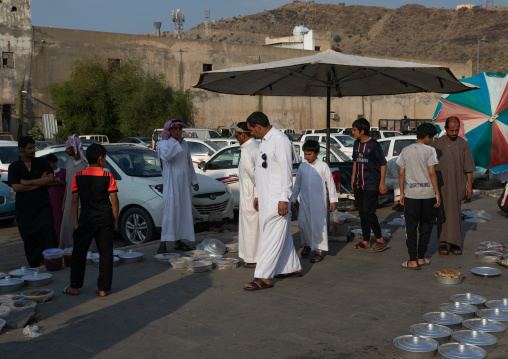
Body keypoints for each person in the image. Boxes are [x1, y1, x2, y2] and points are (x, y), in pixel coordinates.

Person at [244, 111, 301, 291]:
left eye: (252, 130)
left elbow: (286, 171)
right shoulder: (264, 142)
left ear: (258, 127)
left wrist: (284, 198)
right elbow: (263, 171)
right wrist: (259, 195)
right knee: (279, 236)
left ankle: (263, 277)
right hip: (267, 198)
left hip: (278, 200)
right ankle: (291, 267)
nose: (252, 134)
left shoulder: (280, 140)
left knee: (270, 238)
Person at [62, 143, 119, 297]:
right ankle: (103, 289)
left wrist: (76, 223)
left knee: (78, 253)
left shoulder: (78, 177)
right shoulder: (108, 176)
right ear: (100, 159)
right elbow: (114, 201)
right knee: (106, 254)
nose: (105, 160)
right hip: (105, 220)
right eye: (105, 158)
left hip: (86, 220)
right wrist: (115, 220)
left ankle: (74, 286)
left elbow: (74, 201)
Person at [8, 136, 57, 267]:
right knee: (30, 240)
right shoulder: (14, 167)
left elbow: (51, 179)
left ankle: (51, 262)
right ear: (21, 149)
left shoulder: (41, 162)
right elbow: (16, 187)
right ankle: (35, 267)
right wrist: (41, 183)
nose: (32, 150)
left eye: (33, 147)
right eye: (29, 148)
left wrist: (27, 182)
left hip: (43, 207)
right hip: (25, 211)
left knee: (48, 230)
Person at [397, 123, 440, 269]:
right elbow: (432, 173)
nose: (432, 141)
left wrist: (402, 192)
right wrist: (437, 193)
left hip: (411, 195)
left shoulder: (406, 150)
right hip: (428, 195)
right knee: (426, 226)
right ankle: (421, 257)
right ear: (427, 137)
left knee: (411, 227)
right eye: (432, 138)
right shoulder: (430, 150)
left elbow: (401, 173)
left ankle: (412, 260)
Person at [431, 116, 475, 255]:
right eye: (452, 130)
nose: (454, 133)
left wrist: (469, 186)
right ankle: (442, 243)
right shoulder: (436, 144)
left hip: (457, 184)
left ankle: (455, 243)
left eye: (457, 130)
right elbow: (429, 166)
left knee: (455, 213)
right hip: (440, 185)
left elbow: (468, 167)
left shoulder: (463, 144)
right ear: (445, 129)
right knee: (441, 213)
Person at [290, 140, 338, 263]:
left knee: (317, 225)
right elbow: (297, 185)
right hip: (305, 201)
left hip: (318, 202)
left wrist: (333, 200)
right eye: (305, 154)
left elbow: (330, 184)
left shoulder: (323, 166)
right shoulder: (302, 166)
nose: (307, 157)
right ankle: (307, 245)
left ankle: (318, 250)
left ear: (317, 153)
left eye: (309, 154)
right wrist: (293, 200)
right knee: (303, 223)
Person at [156, 119, 199, 254]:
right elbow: (167, 157)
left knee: (183, 211)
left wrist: (194, 180)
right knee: (170, 212)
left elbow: (189, 163)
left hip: (184, 184)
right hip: (171, 184)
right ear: (169, 130)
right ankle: (163, 243)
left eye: (180, 129)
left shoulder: (185, 144)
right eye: (175, 129)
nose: (178, 131)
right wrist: (177, 143)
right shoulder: (163, 144)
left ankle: (178, 242)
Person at [350, 118, 389, 253]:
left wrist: (382, 183)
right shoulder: (356, 144)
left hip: (372, 183)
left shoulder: (374, 145)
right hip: (359, 183)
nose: (352, 132)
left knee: (368, 211)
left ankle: (379, 238)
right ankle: (366, 240)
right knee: (362, 212)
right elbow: (355, 161)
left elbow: (383, 164)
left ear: (362, 131)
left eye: (354, 130)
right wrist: (353, 178)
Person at [235, 122, 261, 268]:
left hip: (250, 194)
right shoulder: (257, 146)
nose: (236, 138)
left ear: (243, 135)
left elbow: (255, 176)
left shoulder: (246, 151)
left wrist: (257, 195)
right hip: (255, 193)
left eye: (237, 135)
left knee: (250, 227)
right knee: (256, 227)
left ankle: (252, 258)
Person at [59, 135, 89, 250]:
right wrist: (64, 202)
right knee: (67, 225)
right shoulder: (69, 164)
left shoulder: (85, 166)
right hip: (69, 202)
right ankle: (67, 249)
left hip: (82, 202)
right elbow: (67, 185)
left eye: (68, 148)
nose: (66, 150)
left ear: (74, 148)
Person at [45, 153, 67, 245]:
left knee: (62, 222)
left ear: (55, 162)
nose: (48, 166)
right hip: (50, 203)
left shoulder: (63, 172)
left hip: (62, 201)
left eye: (50, 163)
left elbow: (69, 185)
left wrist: (61, 182)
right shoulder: (45, 174)